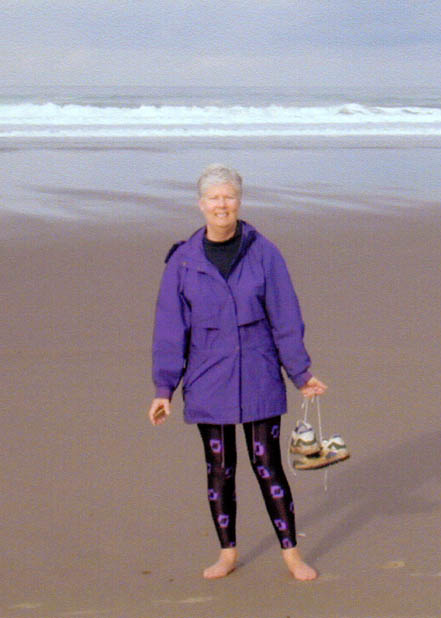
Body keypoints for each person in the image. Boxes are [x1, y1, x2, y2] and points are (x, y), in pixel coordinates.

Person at [148, 164, 326, 581]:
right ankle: (227, 553)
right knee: (220, 468)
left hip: (259, 370)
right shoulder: (183, 261)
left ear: (239, 201)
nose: (221, 205)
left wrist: (301, 373)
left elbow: (285, 317)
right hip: (208, 375)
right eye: (213, 198)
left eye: (228, 196)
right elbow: (170, 328)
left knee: (268, 465)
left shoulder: (265, 252)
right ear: (201, 205)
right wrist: (163, 389)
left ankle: (292, 555)